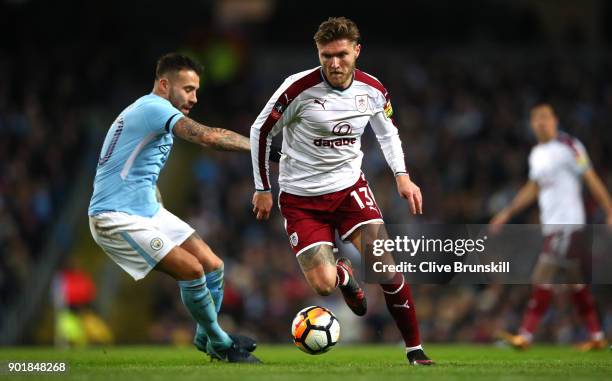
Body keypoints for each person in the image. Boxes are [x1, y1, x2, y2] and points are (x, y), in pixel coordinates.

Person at [250, 17, 432, 365]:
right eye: (326, 55)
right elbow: (261, 130)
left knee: (385, 267)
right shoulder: (297, 89)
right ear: (318, 53)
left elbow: (388, 132)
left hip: (349, 189)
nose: (334, 63)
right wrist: (263, 187)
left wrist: (402, 176)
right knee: (323, 285)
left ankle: (415, 350)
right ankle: (344, 275)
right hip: (301, 199)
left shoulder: (372, 89)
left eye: (342, 54)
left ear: (357, 51)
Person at [88, 53, 261, 363]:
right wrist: (260, 147)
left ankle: (204, 336)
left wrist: (154, 202)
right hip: (114, 216)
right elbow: (207, 136)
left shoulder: (148, 111)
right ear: (165, 84)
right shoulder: (154, 108)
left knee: (213, 265)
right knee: (191, 269)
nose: (194, 98)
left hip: (147, 210)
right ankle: (221, 343)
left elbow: (133, 167)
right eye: (188, 89)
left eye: (196, 90)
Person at [490, 102, 612, 350]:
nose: (540, 123)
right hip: (552, 224)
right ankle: (597, 335)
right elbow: (532, 188)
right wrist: (506, 212)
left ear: (555, 120)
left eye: (545, 117)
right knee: (575, 283)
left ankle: (526, 335)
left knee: (543, 274)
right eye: (536, 119)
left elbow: (591, 178)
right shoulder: (536, 154)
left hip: (568, 223)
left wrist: (610, 210)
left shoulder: (570, 146)